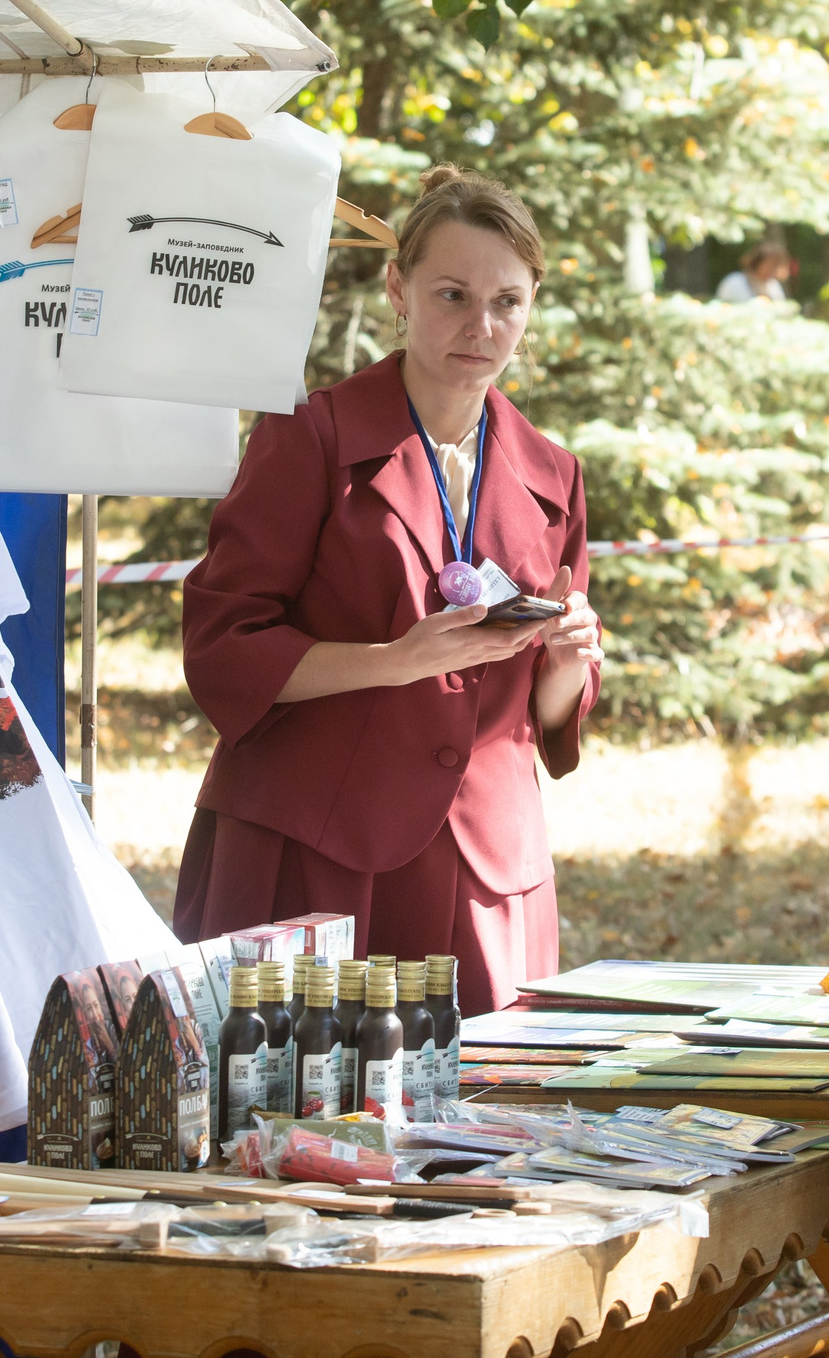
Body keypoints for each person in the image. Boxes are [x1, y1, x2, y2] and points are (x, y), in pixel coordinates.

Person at [174, 166, 605, 1015]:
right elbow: (222, 649)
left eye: (507, 302)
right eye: (452, 294)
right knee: (294, 1134)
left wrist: (565, 667)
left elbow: (553, 715)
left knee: (492, 1133)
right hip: (314, 853)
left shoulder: (554, 475)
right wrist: (392, 661)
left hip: (488, 867)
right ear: (398, 288)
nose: (480, 326)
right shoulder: (309, 437)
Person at [715, 239, 795, 303]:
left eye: (776, 265)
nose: (772, 269)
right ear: (757, 262)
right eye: (770, 264)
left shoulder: (773, 286)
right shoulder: (734, 282)